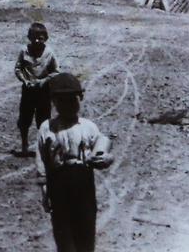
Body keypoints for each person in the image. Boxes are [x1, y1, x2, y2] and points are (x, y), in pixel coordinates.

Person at [36, 72, 113, 252]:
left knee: (86, 231)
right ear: (53, 102)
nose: (68, 105)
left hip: (83, 182)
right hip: (58, 183)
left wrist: (106, 158)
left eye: (72, 100)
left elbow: (103, 149)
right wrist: (44, 188)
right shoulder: (47, 127)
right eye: (61, 101)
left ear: (80, 98)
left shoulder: (88, 126)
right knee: (64, 234)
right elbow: (42, 158)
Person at [16, 22, 60, 156]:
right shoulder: (24, 51)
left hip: (43, 92)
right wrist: (24, 80)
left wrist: (44, 81)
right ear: (29, 37)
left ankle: (44, 147)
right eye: (34, 37)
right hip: (28, 90)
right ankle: (24, 144)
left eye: (40, 38)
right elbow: (18, 69)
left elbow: (56, 71)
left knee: (43, 120)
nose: (37, 40)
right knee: (25, 119)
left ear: (45, 38)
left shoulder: (49, 53)